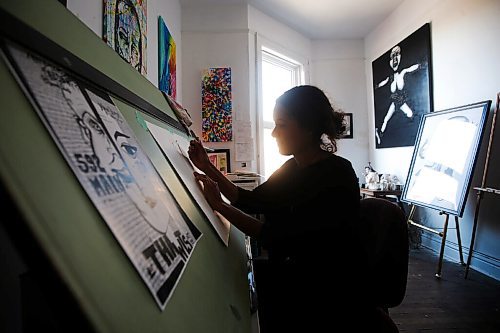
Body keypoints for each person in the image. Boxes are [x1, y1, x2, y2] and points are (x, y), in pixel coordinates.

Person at [189, 85, 397, 332]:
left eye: (282, 124)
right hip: (300, 275)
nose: (274, 133)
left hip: (327, 293)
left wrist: (219, 206)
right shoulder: (292, 168)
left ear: (307, 127)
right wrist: (207, 167)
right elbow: (249, 200)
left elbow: (276, 237)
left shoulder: (338, 174)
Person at [375, 45, 421, 145]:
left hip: (400, 100)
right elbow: (383, 82)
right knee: (386, 119)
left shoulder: (402, 72)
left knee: (410, 114)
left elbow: (410, 69)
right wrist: (377, 85)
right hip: (394, 100)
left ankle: (416, 133)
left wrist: (418, 66)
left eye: (397, 55)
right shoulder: (391, 77)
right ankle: (379, 133)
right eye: (392, 57)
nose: (394, 59)